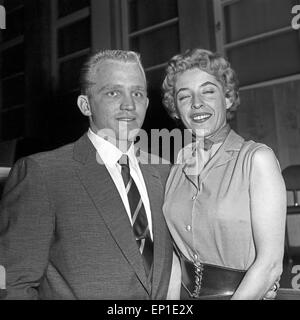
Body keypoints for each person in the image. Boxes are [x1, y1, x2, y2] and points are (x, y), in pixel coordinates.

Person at [0, 50, 173, 299]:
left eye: (137, 93)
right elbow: (12, 283)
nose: (129, 104)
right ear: (85, 105)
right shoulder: (43, 174)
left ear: (146, 102)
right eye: (113, 92)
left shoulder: (165, 173)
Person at [162, 48, 286, 300]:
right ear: (176, 108)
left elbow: (271, 265)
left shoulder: (257, 160)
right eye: (184, 97)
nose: (197, 103)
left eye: (208, 91)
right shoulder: (177, 166)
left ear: (227, 98)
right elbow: (176, 259)